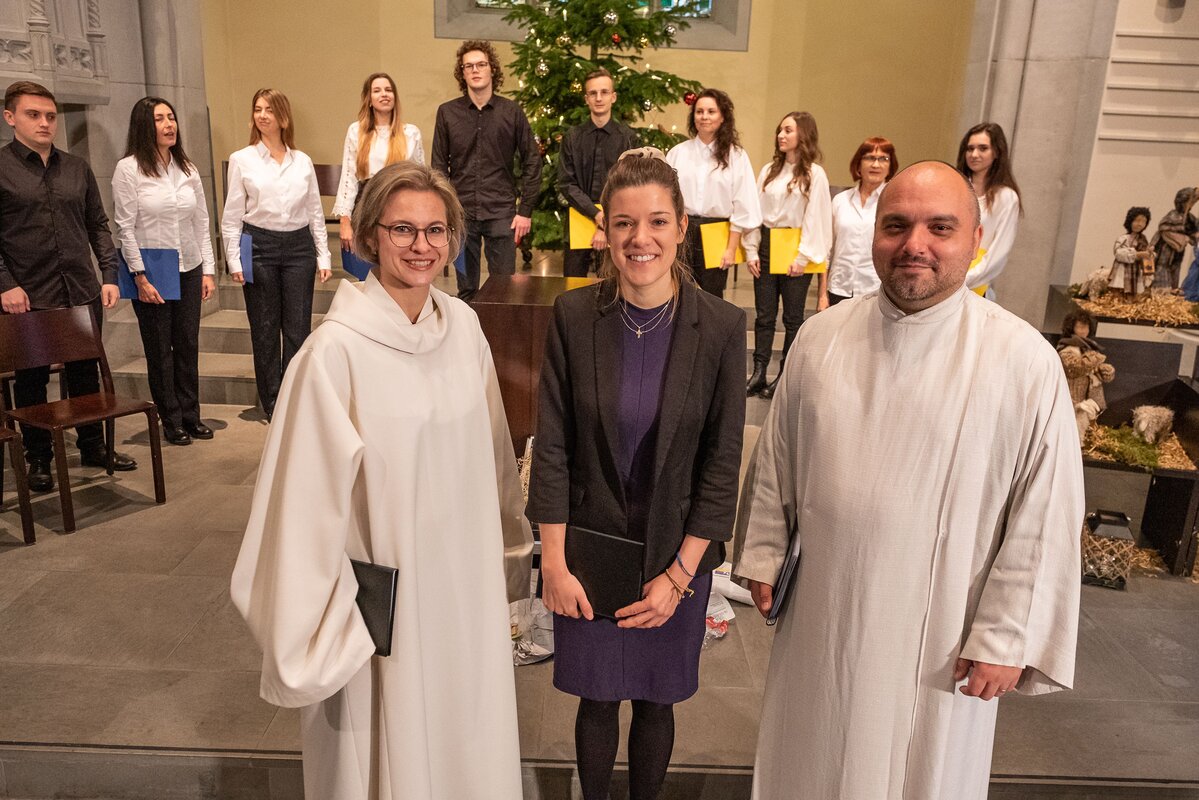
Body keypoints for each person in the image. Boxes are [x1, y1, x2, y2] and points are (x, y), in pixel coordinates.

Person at [733, 161, 1083, 800]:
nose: (914, 244)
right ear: (873, 236)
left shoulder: (1023, 361)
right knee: (808, 760)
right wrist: (762, 552)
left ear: (975, 239)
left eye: (939, 227)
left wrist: (1007, 634)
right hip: (824, 617)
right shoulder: (820, 339)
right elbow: (778, 461)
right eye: (896, 225)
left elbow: (1045, 511)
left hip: (945, 639)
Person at [231, 161, 533, 799]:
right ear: (368, 237)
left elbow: (495, 458)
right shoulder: (333, 355)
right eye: (403, 229)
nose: (421, 246)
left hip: (464, 592)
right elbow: (300, 508)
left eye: (435, 230)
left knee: (465, 742)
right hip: (387, 605)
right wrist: (328, 624)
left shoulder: (465, 328)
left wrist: (508, 560)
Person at [527, 148, 745, 800]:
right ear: (604, 229)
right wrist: (555, 564)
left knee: (655, 702)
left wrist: (678, 578)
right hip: (588, 549)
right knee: (595, 701)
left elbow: (721, 464)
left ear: (681, 225)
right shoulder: (572, 317)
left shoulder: (721, 328)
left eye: (655, 221)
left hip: (675, 552)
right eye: (624, 223)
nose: (639, 238)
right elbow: (554, 449)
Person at [0, 80, 136, 492]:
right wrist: (5, 284)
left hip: (80, 288)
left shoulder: (76, 167)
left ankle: (92, 445)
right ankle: (38, 456)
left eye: (50, 116)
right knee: (32, 380)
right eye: (33, 115)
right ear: (10, 118)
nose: (44, 123)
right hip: (28, 294)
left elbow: (97, 224)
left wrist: (109, 275)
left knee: (84, 372)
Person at [112, 97, 217, 447]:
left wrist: (208, 270)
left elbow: (201, 221)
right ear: (145, 125)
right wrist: (139, 276)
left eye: (171, 117)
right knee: (160, 349)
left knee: (187, 344)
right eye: (160, 119)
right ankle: (170, 419)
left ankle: (191, 414)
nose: (169, 124)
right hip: (153, 270)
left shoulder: (186, 168)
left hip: (188, 265)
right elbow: (124, 227)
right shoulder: (129, 169)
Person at [220, 88, 331, 420]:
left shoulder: (303, 161)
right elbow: (232, 215)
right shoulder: (243, 159)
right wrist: (234, 260)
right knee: (265, 328)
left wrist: (323, 255)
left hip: (298, 249)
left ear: (283, 116)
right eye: (257, 109)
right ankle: (272, 402)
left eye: (269, 109)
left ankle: (294, 398)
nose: (262, 115)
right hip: (259, 247)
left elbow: (314, 211)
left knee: (297, 328)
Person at [432, 40, 540, 301]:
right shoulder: (447, 113)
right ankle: (468, 340)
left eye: (481, 64)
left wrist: (524, 211)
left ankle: (500, 341)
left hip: (501, 211)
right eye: (468, 66)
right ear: (462, 73)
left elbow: (532, 161)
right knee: (466, 289)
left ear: (492, 69)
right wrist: (444, 210)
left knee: (504, 286)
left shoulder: (511, 112)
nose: (475, 70)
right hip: (461, 212)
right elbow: (437, 167)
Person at [743, 112, 831, 400]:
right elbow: (755, 210)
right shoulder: (769, 170)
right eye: (780, 130)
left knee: (792, 318)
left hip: (796, 247)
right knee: (764, 315)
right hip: (768, 244)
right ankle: (758, 372)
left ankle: (783, 375)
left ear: (803, 134)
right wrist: (752, 249)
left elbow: (816, 216)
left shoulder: (814, 174)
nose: (781, 135)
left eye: (788, 130)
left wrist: (803, 257)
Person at [666, 88, 760, 298]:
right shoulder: (678, 153)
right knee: (678, 293)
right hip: (682, 229)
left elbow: (743, 203)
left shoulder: (736, 156)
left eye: (711, 111)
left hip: (717, 232)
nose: (704, 117)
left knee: (712, 298)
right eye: (699, 112)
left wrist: (730, 249)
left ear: (722, 116)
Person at [557, 67, 637, 277]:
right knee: (571, 285)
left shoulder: (628, 138)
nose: (599, 98)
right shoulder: (572, 137)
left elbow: (629, 184)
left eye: (604, 92)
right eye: (593, 93)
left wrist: (606, 222)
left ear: (613, 97)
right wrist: (597, 215)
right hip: (578, 220)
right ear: (586, 99)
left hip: (616, 222)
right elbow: (567, 184)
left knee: (612, 285)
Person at [332, 72, 425, 252]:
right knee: (367, 266)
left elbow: (421, 179)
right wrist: (345, 221)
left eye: (388, 90)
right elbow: (348, 178)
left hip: (400, 205)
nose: (384, 94)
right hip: (366, 204)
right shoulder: (356, 131)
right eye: (377, 90)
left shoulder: (410, 133)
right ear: (369, 99)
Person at [821, 136, 897, 309]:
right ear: (858, 163)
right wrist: (822, 293)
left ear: (891, 165)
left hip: (875, 288)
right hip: (839, 286)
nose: (876, 165)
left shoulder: (894, 202)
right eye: (870, 158)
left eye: (883, 159)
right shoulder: (840, 200)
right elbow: (827, 250)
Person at [956, 122, 1022, 298]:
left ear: (996, 152)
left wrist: (961, 281)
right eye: (970, 149)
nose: (974, 154)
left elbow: (997, 256)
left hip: (974, 287)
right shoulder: (955, 187)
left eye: (982, 148)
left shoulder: (1006, 198)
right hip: (945, 276)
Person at [1150, 186, 1198, 291]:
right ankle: (1162, 291)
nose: (1191, 205)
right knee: (1163, 267)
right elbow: (1165, 229)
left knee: (1176, 267)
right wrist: (1185, 238)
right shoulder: (1173, 215)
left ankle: (1173, 289)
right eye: (1189, 202)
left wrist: (1194, 236)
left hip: (1178, 251)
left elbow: (1194, 229)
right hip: (1166, 248)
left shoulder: (1189, 217)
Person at [1109, 205, 1153, 298]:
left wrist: (1150, 255)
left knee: (1135, 291)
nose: (1140, 224)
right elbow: (1118, 253)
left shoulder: (1143, 240)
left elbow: (1147, 258)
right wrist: (1137, 254)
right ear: (1130, 221)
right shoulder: (1123, 238)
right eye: (1137, 220)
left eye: (1144, 222)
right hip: (1124, 270)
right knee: (1120, 290)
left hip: (1136, 271)